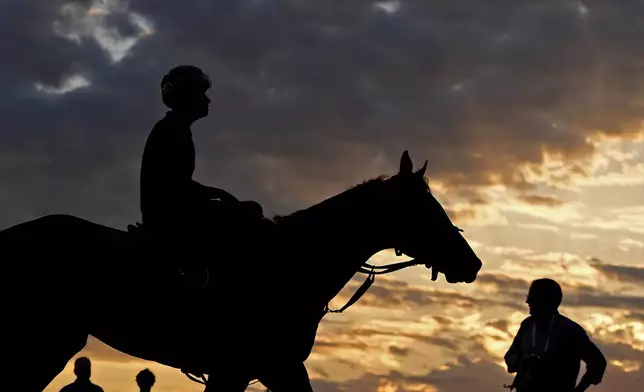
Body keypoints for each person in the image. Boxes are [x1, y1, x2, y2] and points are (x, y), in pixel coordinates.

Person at [504, 278, 607, 392]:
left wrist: (580, 389)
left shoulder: (571, 331)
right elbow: (510, 357)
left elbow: (598, 363)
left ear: (548, 302)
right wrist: (523, 362)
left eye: (533, 297)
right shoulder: (527, 325)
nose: (528, 301)